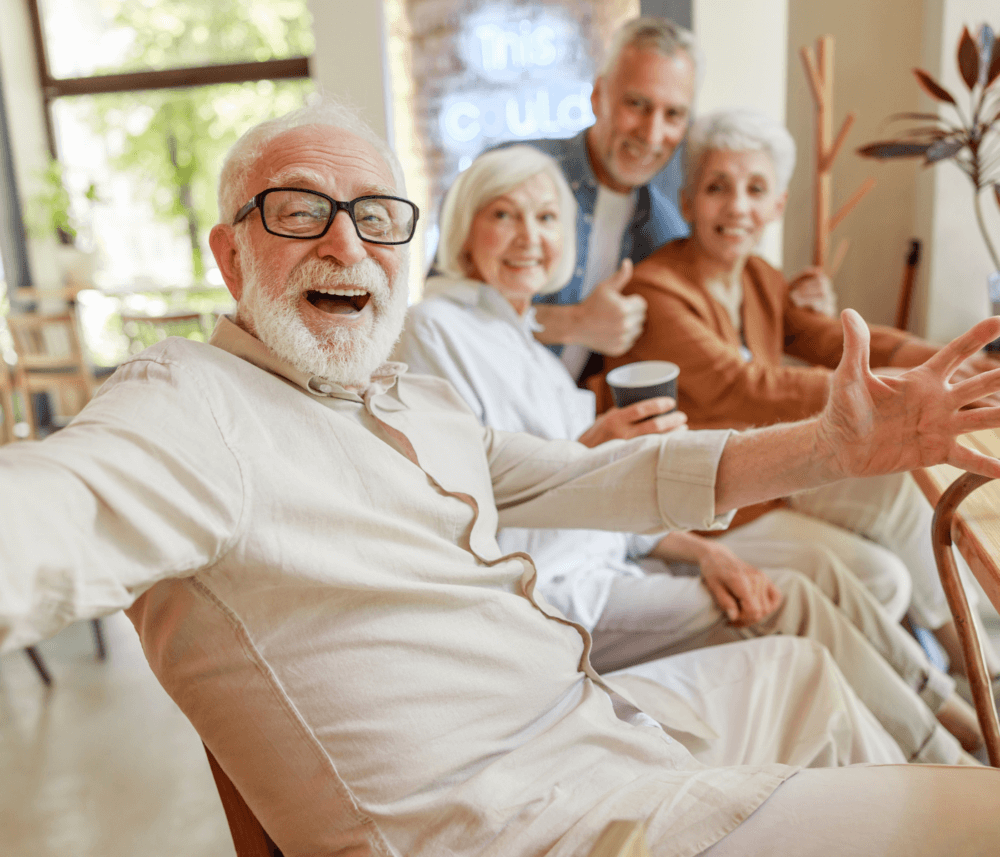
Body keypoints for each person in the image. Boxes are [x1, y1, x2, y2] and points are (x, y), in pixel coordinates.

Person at [3, 99, 1000, 856]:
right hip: (526, 826)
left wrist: (834, 447)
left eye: (376, 217)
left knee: (804, 674)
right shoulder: (187, 402)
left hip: (593, 733)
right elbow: (54, 509)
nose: (346, 242)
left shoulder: (407, 400)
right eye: (298, 211)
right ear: (230, 255)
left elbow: (609, 474)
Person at [396, 144, 982, 762]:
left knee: (836, 562)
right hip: (554, 594)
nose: (529, 237)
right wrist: (591, 453)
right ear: (464, 228)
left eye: (546, 219)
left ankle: (961, 720)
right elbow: (474, 504)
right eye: (503, 215)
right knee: (793, 601)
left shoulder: (531, 351)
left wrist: (702, 552)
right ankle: (955, 760)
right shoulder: (435, 329)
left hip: (623, 553)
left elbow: (609, 508)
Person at [607, 107, 1000, 677]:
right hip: (706, 501)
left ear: (777, 205)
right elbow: (747, 387)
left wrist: (947, 364)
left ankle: (972, 663)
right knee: (882, 578)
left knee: (901, 492)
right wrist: (896, 392)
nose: (737, 206)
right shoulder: (658, 291)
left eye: (755, 189)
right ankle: (955, 681)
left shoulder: (758, 280)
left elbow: (832, 339)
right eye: (718, 188)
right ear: (688, 203)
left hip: (771, 474)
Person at [512, 15, 829, 381]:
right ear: (598, 96)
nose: (652, 133)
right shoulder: (519, 174)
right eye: (636, 104)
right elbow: (443, 308)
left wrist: (794, 307)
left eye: (674, 114)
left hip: (581, 426)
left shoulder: (666, 224)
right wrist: (570, 323)